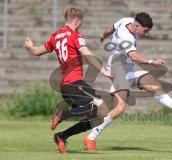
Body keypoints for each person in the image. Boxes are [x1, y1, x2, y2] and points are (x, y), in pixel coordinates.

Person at [83, 12, 172, 151]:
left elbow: (111, 28)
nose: (146, 34)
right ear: (136, 25)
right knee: (119, 110)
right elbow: (133, 55)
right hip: (118, 69)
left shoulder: (126, 20)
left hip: (127, 67)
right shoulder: (126, 36)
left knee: (154, 84)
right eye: (145, 30)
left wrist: (103, 36)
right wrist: (151, 61)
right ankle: (90, 137)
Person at [24, 7, 112, 154]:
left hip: (65, 87)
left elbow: (37, 52)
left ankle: (62, 136)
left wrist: (30, 47)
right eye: (81, 22)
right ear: (77, 21)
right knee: (103, 108)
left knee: (99, 118)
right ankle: (62, 114)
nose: (81, 25)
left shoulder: (56, 36)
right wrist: (103, 71)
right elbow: (87, 55)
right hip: (74, 83)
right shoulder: (75, 36)